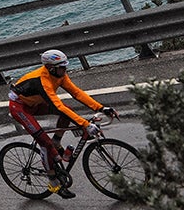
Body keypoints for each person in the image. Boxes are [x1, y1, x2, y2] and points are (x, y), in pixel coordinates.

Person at [9, 48, 118, 199]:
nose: (65, 69)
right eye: (62, 67)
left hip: (35, 103)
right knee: (44, 143)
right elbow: (57, 105)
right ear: (51, 68)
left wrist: (101, 107)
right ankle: (53, 183)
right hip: (20, 107)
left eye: (65, 66)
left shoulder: (60, 75)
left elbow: (76, 93)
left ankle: (57, 141)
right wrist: (85, 124)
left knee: (68, 111)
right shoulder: (43, 81)